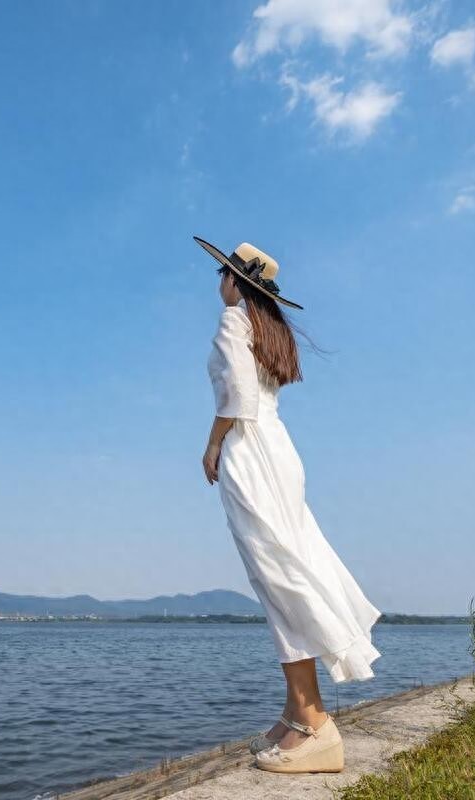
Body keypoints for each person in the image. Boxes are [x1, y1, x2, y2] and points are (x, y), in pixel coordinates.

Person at [195, 236, 383, 774]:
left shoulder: (234, 320)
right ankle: (295, 715)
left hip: (252, 450)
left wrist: (212, 445)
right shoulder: (267, 326)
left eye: (222, 274)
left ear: (234, 281)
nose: (219, 283)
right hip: (278, 450)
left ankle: (316, 723)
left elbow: (236, 395)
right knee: (288, 568)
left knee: (279, 578)